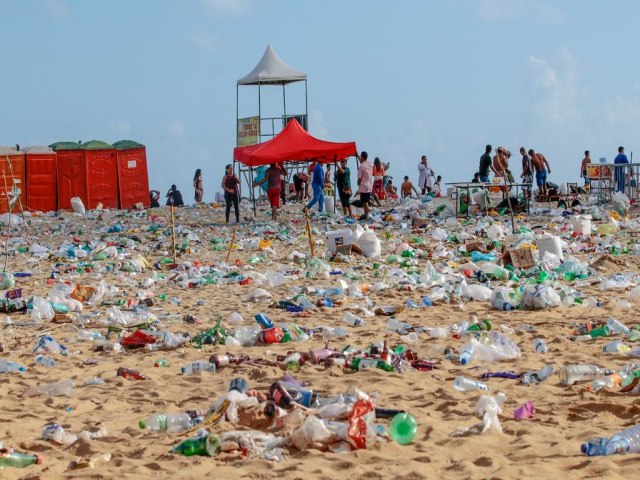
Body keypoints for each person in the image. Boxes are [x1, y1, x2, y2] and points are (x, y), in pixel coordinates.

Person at [356, 150, 373, 220]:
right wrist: (357, 155)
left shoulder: (362, 166)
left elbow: (359, 178)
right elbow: (362, 161)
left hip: (364, 187)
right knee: (365, 201)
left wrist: (358, 183)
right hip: (369, 186)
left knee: (364, 202)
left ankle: (366, 215)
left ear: (362, 157)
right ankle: (367, 213)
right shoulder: (369, 164)